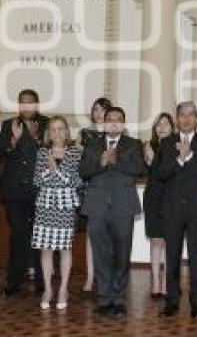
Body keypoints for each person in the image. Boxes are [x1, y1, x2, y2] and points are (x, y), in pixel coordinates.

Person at [79, 106, 143, 317]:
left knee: (122, 254)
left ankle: (119, 298)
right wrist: (101, 162)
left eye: (118, 119)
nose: (114, 122)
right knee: (101, 254)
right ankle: (105, 298)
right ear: (104, 123)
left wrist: (117, 161)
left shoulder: (133, 144)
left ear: (123, 124)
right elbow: (84, 171)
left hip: (122, 206)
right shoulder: (92, 144)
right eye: (110, 119)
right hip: (97, 206)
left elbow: (139, 170)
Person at [159, 101, 197, 320]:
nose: (186, 119)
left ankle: (196, 302)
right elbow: (162, 173)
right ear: (177, 118)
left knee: (196, 256)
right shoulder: (166, 143)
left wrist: (189, 155)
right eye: (182, 114)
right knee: (171, 256)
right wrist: (178, 159)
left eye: (191, 115)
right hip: (172, 208)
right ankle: (171, 301)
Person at [0, 89, 48, 296]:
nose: (26, 106)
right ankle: (14, 280)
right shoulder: (9, 125)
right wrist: (14, 141)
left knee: (40, 236)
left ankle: (42, 281)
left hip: (40, 190)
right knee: (17, 234)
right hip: (15, 190)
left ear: (36, 104)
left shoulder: (46, 124)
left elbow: (54, 150)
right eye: (22, 102)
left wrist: (35, 140)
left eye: (30, 102)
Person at [32, 116, 83, 310]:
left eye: (61, 129)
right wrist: (57, 175)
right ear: (48, 133)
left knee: (65, 249)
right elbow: (37, 180)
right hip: (45, 206)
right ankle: (47, 289)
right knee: (45, 249)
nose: (57, 133)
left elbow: (76, 181)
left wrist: (54, 170)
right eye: (53, 129)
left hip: (66, 207)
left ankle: (63, 289)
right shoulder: (42, 152)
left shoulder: (75, 153)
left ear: (67, 131)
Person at [78, 97, 112, 294]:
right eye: (96, 109)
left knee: (109, 235)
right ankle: (90, 277)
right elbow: (83, 162)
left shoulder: (118, 134)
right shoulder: (86, 134)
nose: (99, 113)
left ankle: (105, 274)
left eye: (103, 110)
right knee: (92, 234)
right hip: (91, 188)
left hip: (112, 190)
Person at [144, 112, 175, 299]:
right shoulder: (148, 146)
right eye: (158, 125)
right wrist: (152, 155)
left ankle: (166, 283)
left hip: (171, 198)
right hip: (153, 197)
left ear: (172, 127)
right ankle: (155, 282)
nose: (162, 127)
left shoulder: (177, 147)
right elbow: (153, 171)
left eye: (166, 124)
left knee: (170, 242)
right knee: (156, 241)